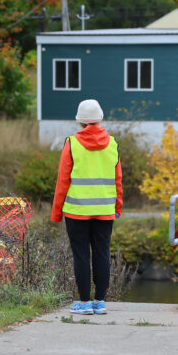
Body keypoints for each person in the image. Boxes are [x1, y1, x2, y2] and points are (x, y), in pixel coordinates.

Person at [51, 99, 122, 316]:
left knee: (81, 255)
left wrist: (56, 213)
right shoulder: (112, 144)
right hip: (105, 210)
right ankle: (100, 302)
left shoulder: (71, 143)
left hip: (77, 211)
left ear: (80, 122)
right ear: (99, 119)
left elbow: (63, 180)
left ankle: (84, 303)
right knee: (102, 253)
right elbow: (118, 179)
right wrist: (117, 206)